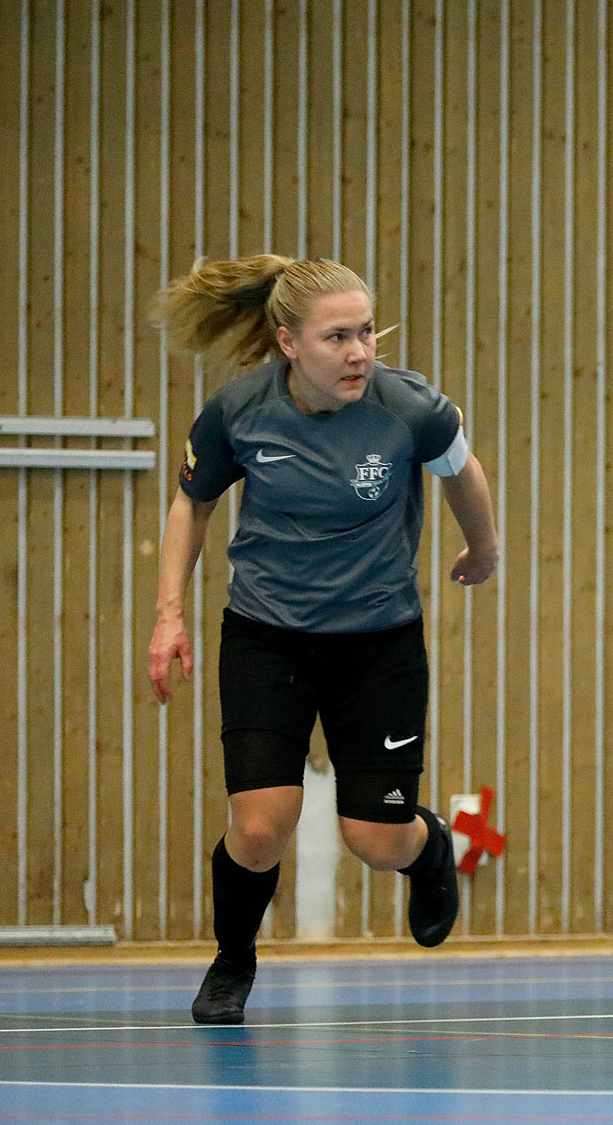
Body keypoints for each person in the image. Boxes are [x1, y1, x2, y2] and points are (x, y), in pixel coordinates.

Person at [146, 255, 500, 1025]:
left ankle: (430, 849)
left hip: (377, 643)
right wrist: (169, 614)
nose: (360, 352)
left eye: (367, 331)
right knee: (260, 824)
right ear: (287, 344)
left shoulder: (411, 409)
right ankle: (232, 960)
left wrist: (486, 548)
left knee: (375, 840)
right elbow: (190, 506)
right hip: (266, 637)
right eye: (337, 337)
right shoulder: (239, 412)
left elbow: (462, 473)